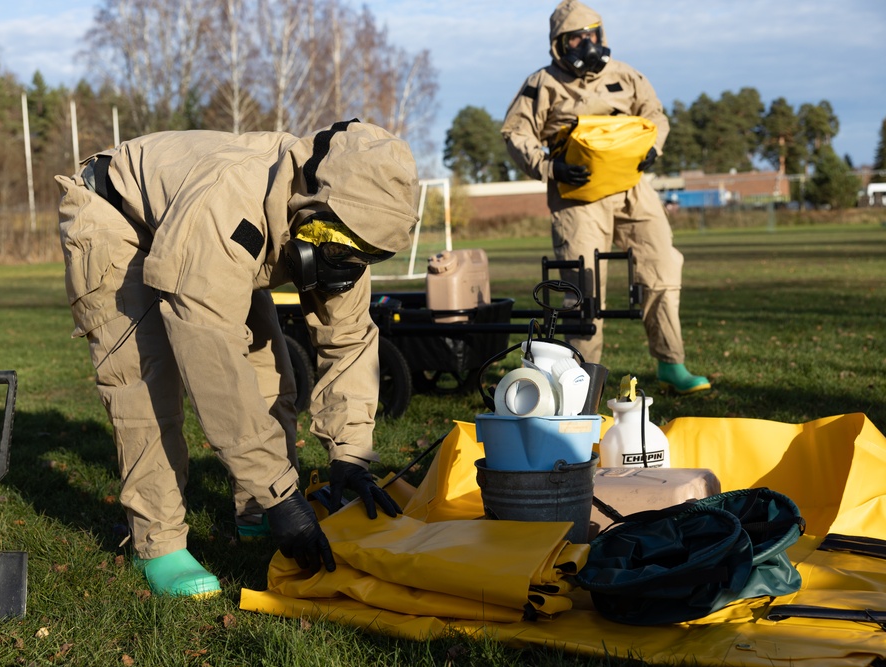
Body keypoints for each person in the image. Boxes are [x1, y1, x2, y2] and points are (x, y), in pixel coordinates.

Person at [55, 120, 418, 598]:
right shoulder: (229, 207)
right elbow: (214, 364)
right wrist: (282, 495)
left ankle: (254, 513)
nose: (349, 265)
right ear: (312, 201)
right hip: (118, 218)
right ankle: (160, 543)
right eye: (342, 249)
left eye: (368, 255)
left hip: (215, 236)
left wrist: (350, 455)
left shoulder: (346, 225)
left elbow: (348, 339)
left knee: (271, 371)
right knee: (145, 386)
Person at [501, 0, 710, 394]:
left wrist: (654, 147)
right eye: (577, 37)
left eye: (593, 34)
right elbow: (515, 134)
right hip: (577, 196)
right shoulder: (541, 83)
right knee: (582, 289)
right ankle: (582, 384)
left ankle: (671, 364)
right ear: (559, 43)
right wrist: (550, 167)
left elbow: (656, 114)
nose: (588, 43)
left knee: (662, 266)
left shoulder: (625, 74)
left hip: (632, 188)